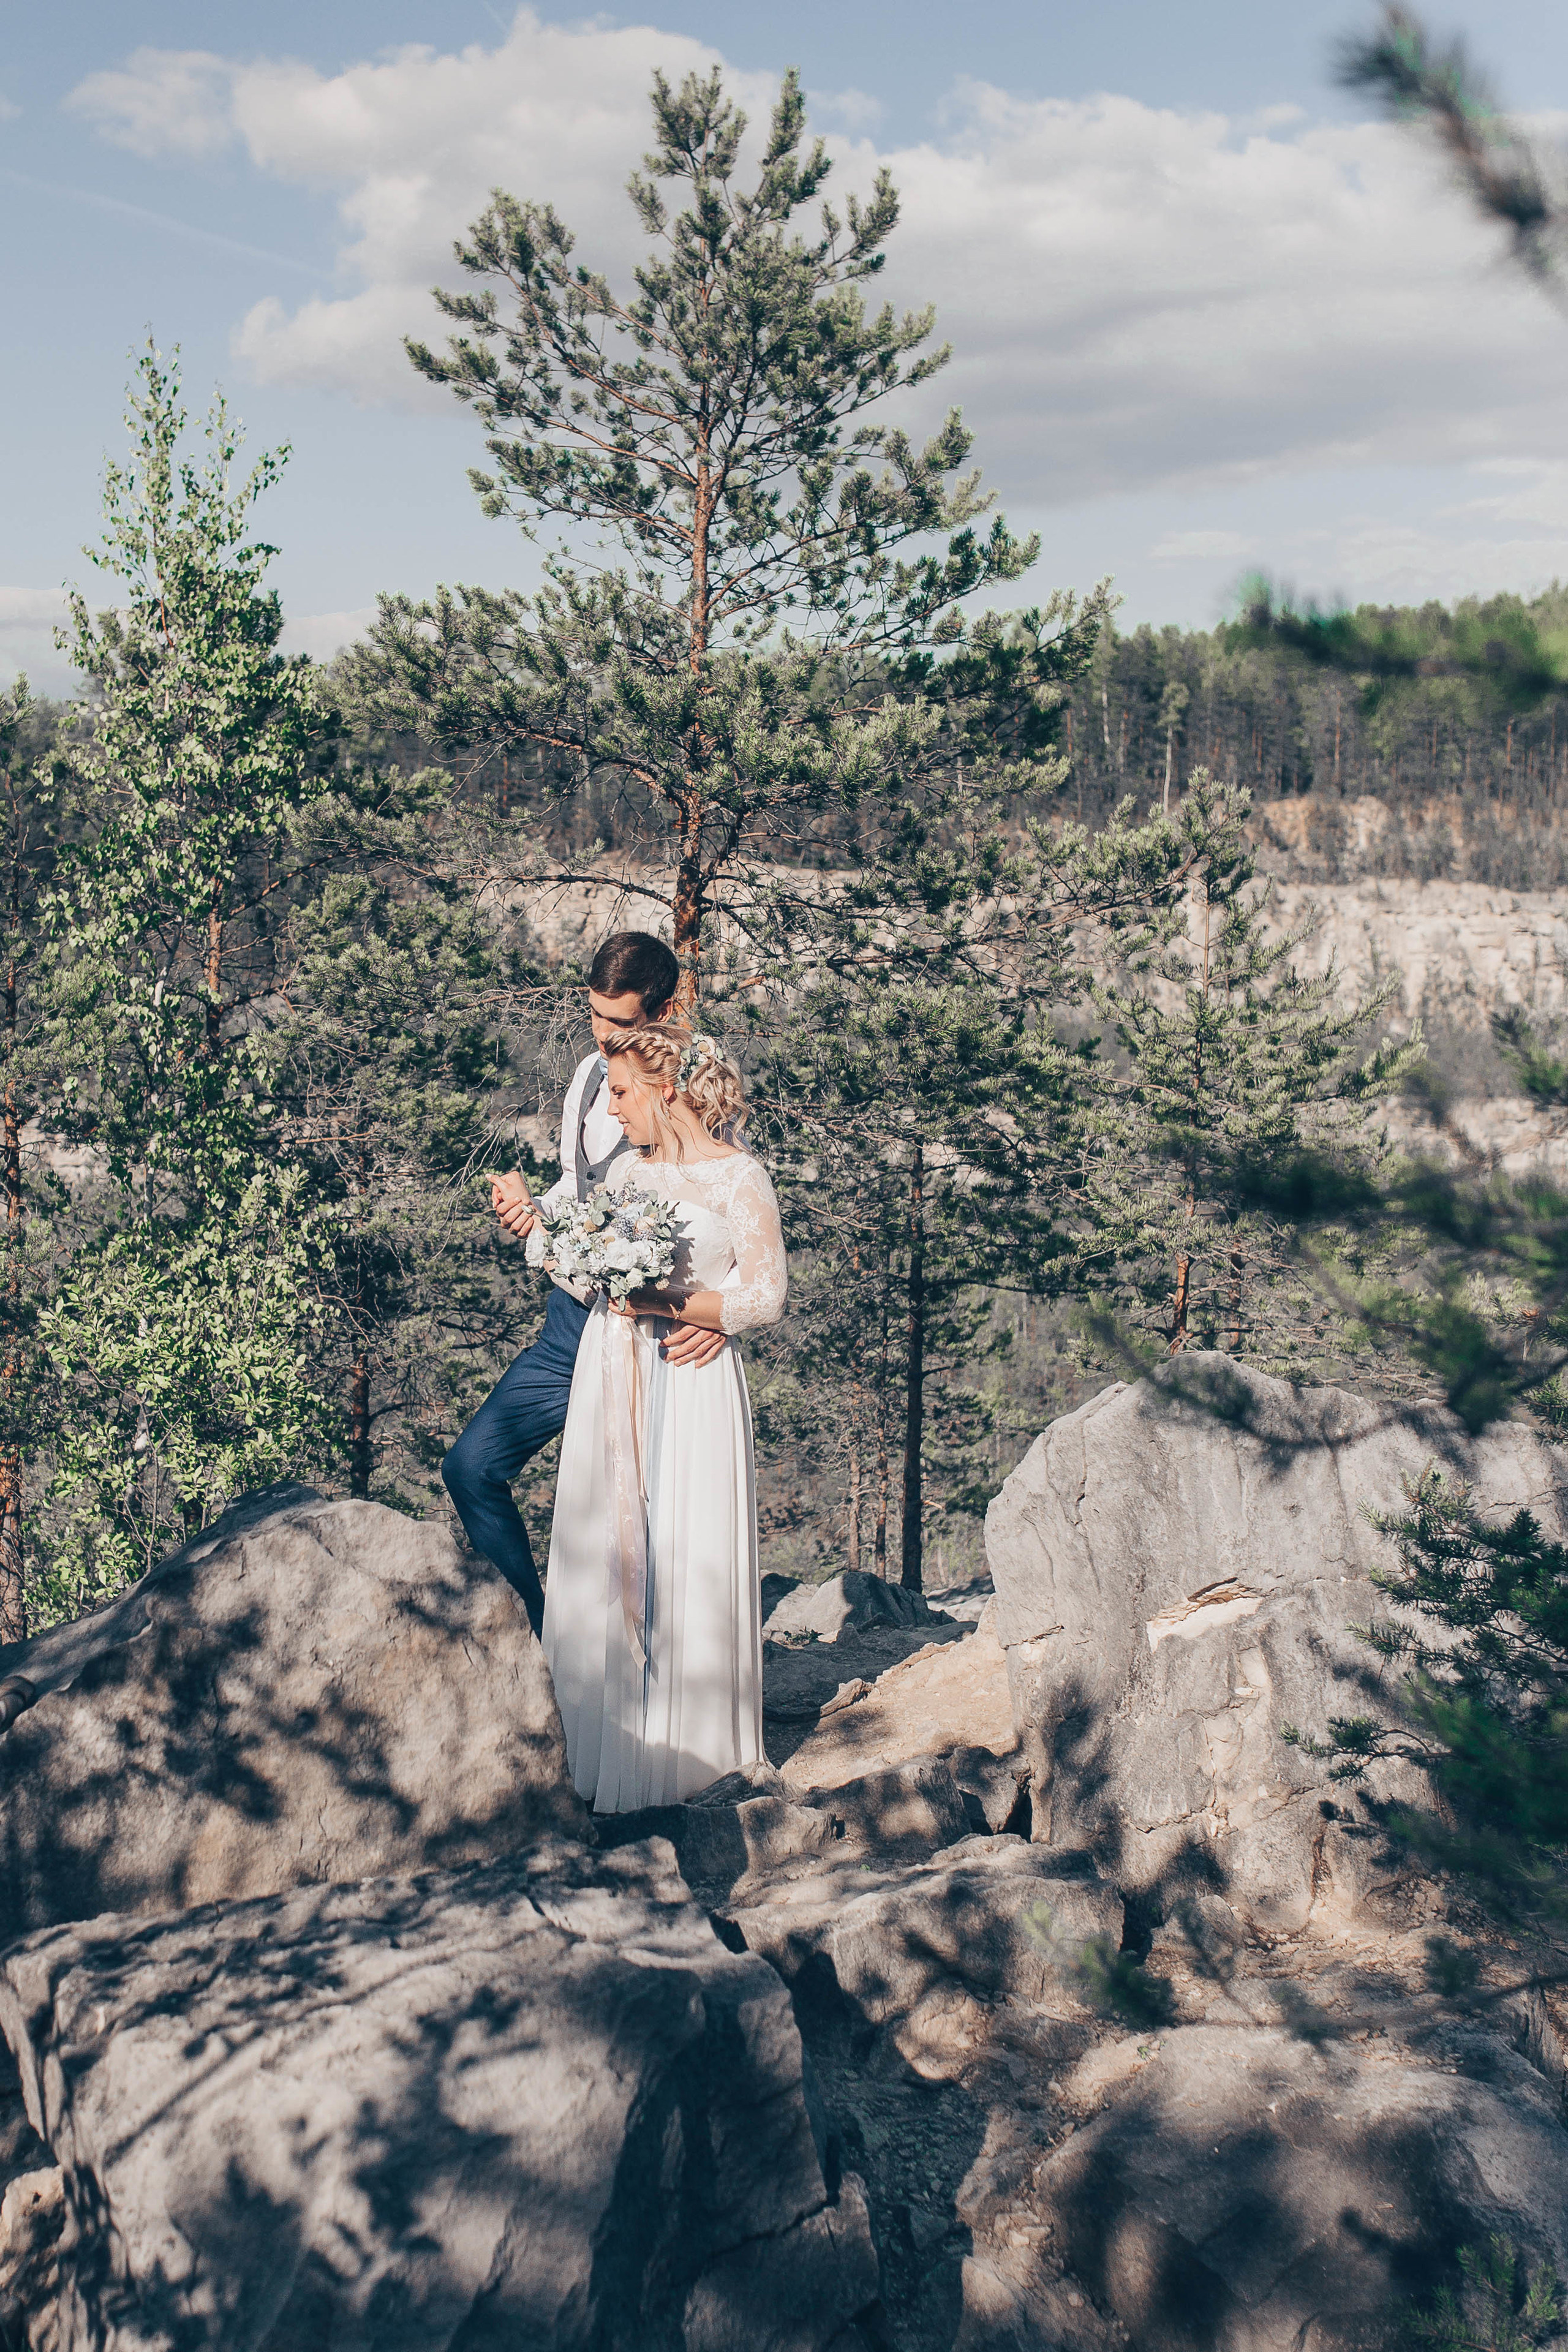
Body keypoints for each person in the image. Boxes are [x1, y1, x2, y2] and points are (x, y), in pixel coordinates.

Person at [440, 933, 726, 1634]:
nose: (602, 1036)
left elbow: (736, 1202)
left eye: (620, 1023)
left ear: (663, 1008)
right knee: (471, 1467)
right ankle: (535, 1646)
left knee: (633, 1516)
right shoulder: (588, 1079)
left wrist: (715, 1312)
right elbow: (578, 1188)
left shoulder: (696, 1089)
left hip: (655, 1336)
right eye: (594, 1016)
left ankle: (654, 1685)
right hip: (570, 1325)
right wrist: (530, 1210)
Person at [535, 1023, 786, 1812]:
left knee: (687, 1549)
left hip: (694, 1390)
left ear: (664, 1091)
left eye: (617, 1093)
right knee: (603, 1549)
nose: (609, 1110)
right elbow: (591, 1278)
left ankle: (694, 1764)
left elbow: (765, 1295)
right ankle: (599, 1754)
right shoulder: (631, 1179)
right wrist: (546, 1240)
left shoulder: (741, 1179)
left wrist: (686, 1309)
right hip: (614, 1376)